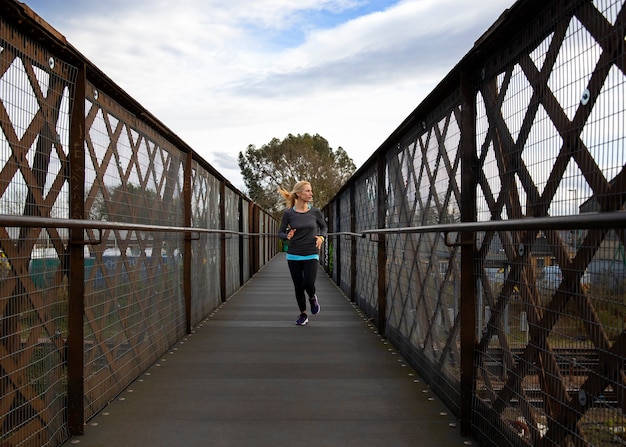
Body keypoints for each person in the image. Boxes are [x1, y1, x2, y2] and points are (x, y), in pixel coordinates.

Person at [278, 181, 328, 325]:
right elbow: (280, 232)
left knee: (308, 283)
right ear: (298, 194)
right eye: (307, 191)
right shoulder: (289, 213)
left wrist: (321, 237)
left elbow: (324, 228)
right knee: (298, 286)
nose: (311, 194)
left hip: (311, 252)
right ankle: (303, 314)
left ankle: (312, 297)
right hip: (293, 254)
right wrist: (286, 236)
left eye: (311, 191)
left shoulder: (315, 212)